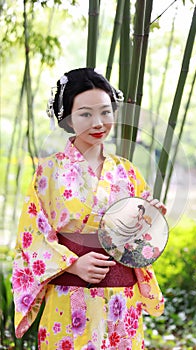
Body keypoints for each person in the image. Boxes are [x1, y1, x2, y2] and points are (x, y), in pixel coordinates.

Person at [12, 68, 167, 350]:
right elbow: (31, 236)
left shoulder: (128, 172)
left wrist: (149, 223)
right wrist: (72, 263)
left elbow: (139, 245)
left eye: (106, 112)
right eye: (85, 114)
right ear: (67, 118)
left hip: (123, 301)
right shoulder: (49, 172)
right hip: (69, 297)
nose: (98, 123)